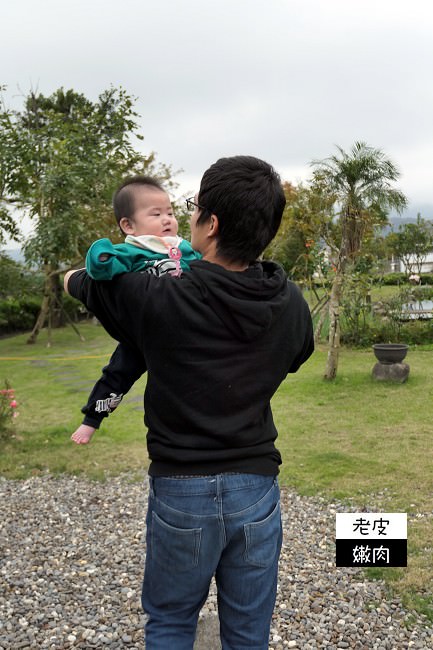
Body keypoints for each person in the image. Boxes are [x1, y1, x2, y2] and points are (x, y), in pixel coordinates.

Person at [64, 155, 314, 649]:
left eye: (193, 206)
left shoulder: (154, 295)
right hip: (256, 487)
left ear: (211, 223)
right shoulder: (290, 303)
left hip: (182, 489)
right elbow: (294, 357)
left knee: (173, 622)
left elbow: (79, 281)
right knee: (248, 632)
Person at [72, 175, 201, 444]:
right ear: (128, 225)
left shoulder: (184, 249)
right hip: (140, 334)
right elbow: (103, 269)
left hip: (182, 332)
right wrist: (101, 255)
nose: (167, 219)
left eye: (170, 212)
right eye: (156, 214)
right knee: (118, 373)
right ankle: (92, 419)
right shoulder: (132, 252)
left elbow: (204, 268)